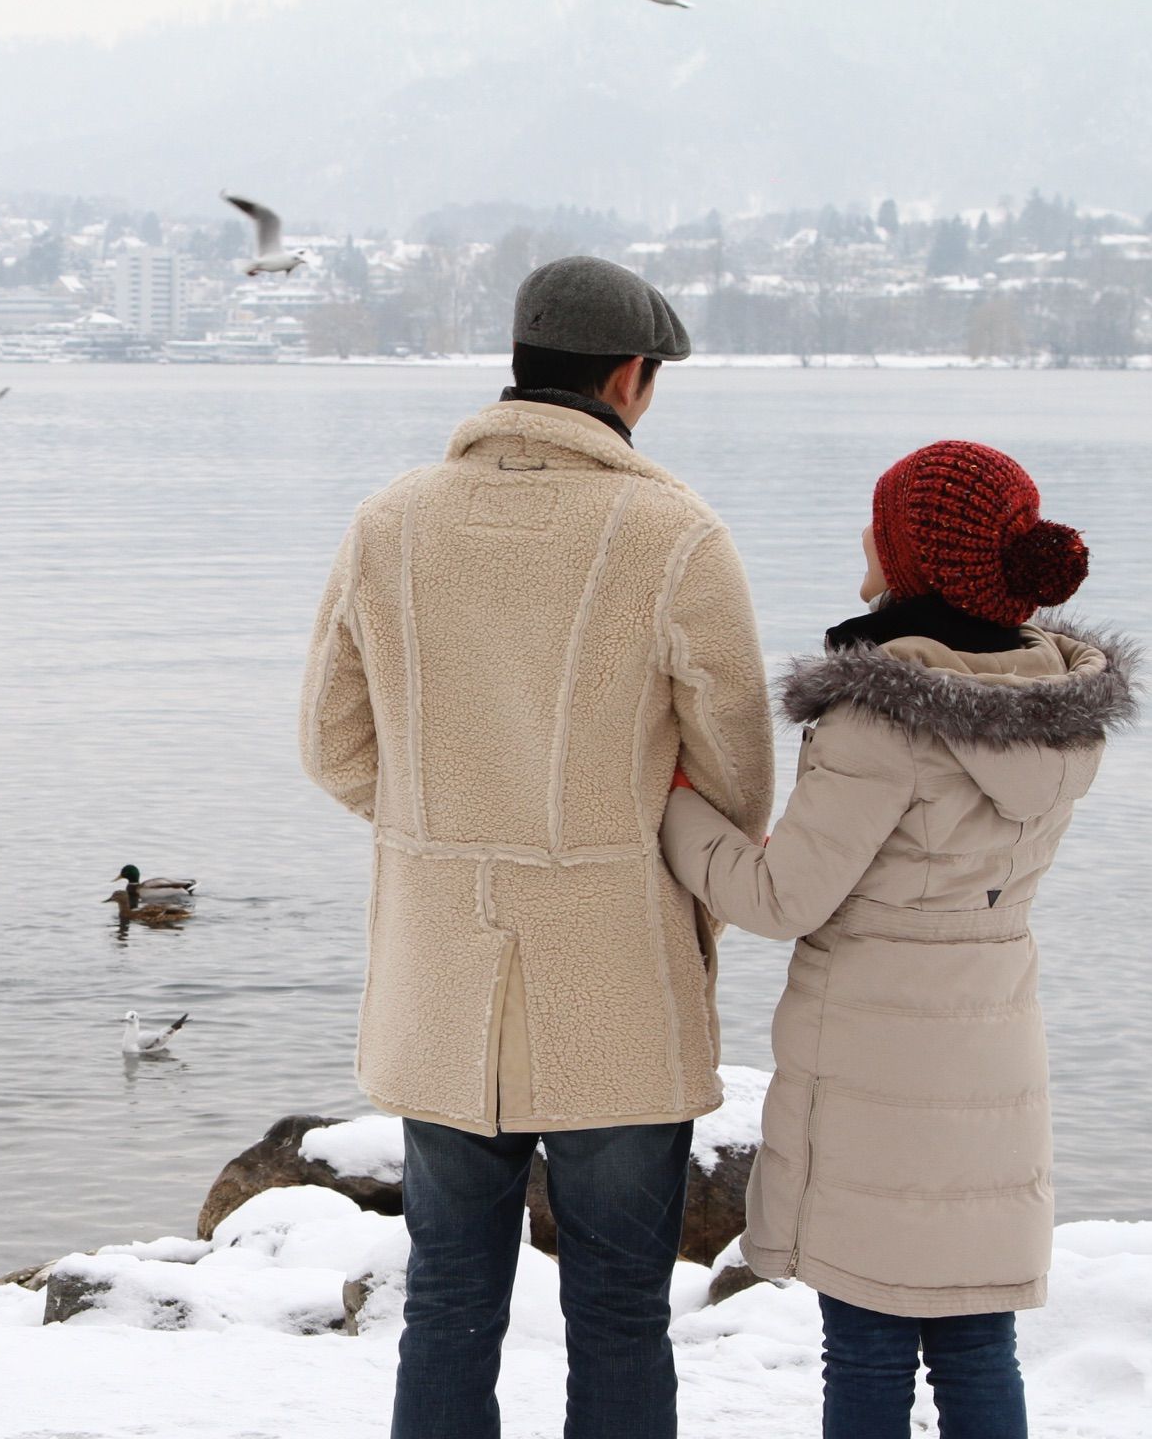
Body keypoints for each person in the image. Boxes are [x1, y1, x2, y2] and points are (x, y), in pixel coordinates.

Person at [299, 255, 776, 1439]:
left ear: (518, 366)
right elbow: (738, 780)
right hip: (615, 975)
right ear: (630, 378)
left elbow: (331, 744)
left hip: (440, 976)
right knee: (620, 1309)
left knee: (450, 1302)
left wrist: (437, 830)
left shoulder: (390, 522)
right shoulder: (673, 532)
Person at [659, 441, 1136, 1438]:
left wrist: (675, 810)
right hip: (995, 1050)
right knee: (976, 1346)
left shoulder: (884, 721)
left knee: (869, 1340)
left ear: (916, 558)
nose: (859, 543)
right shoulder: (1056, 713)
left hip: (877, 1069)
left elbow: (785, 895)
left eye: (876, 526)